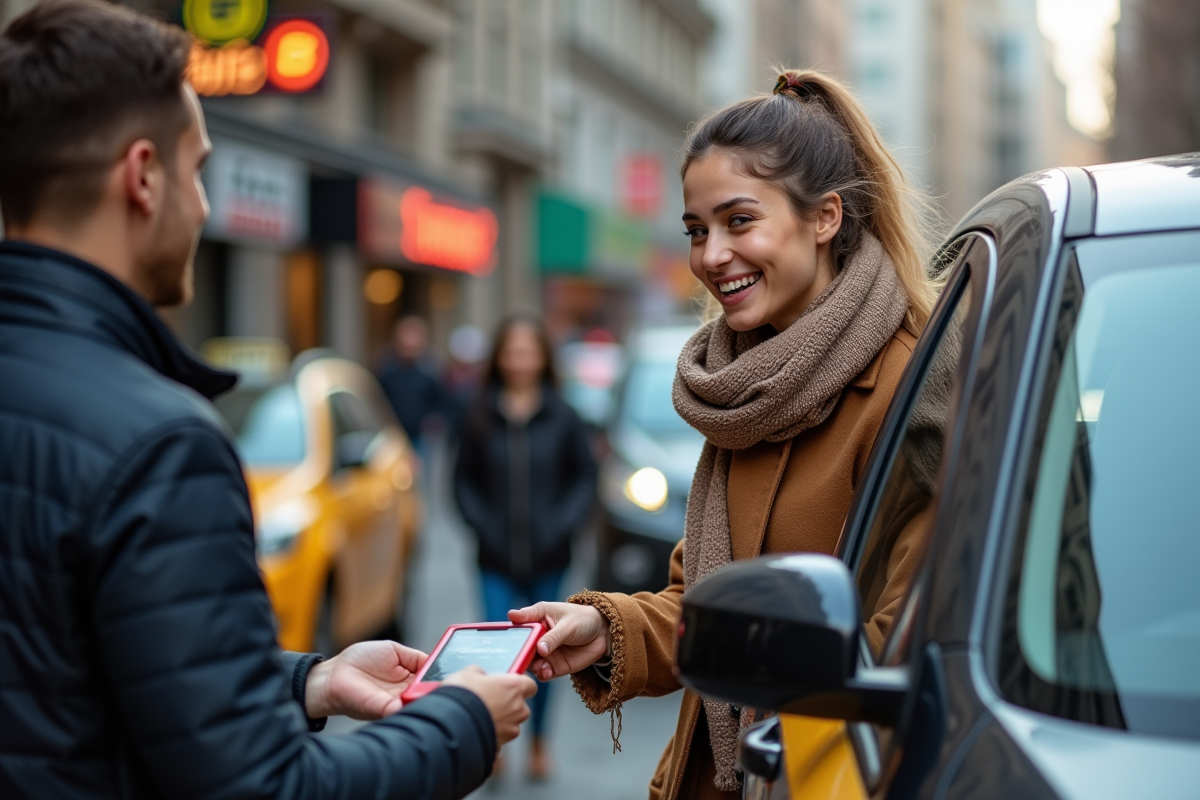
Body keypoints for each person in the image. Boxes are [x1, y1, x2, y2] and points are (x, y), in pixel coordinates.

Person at [0, 2, 535, 797]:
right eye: (196, 170)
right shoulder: (160, 442)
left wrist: (304, 683)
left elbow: (62, 669)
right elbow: (266, 787)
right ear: (143, 176)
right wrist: (456, 723)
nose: (205, 205)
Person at [509, 70, 941, 799]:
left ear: (825, 217)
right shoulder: (746, 389)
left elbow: (903, 648)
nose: (711, 256)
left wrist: (740, 645)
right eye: (696, 230)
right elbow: (706, 609)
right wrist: (602, 628)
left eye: (740, 222)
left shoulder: (911, 389)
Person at [453, 315, 598, 780]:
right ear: (499, 357)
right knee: (496, 653)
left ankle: (539, 743)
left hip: (550, 558)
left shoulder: (564, 415)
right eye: (511, 351)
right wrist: (483, 526)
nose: (519, 360)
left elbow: (585, 477)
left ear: (542, 358)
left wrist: (563, 525)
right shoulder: (478, 413)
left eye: (528, 350)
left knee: (545, 655)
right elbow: (461, 483)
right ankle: (495, 742)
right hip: (493, 559)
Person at [377, 315, 446, 456]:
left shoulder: (429, 371)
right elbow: (379, 399)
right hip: (392, 434)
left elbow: (439, 401)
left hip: (420, 436)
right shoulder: (387, 370)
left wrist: (433, 420)